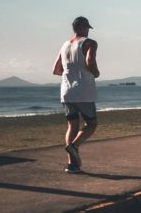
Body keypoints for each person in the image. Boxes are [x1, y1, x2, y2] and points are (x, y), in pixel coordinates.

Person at [52, 16, 100, 174]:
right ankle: (74, 146)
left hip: (66, 92)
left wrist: (71, 73)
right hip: (83, 91)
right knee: (91, 124)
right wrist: (95, 73)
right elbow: (90, 61)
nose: (87, 31)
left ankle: (72, 165)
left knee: (72, 126)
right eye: (87, 28)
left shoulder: (65, 45)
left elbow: (56, 70)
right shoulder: (89, 43)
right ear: (82, 28)